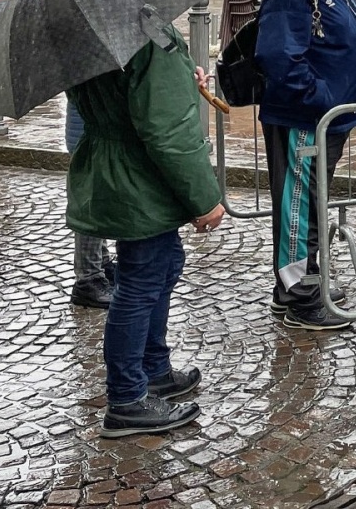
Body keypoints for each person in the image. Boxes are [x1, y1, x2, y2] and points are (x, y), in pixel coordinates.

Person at [67, 23, 225, 438]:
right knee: (140, 282)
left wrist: (180, 77)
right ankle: (127, 399)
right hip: (139, 174)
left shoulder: (86, 30)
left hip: (116, 166)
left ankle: (153, 369)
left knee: (162, 264)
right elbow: (166, 129)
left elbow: (126, 98)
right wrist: (204, 198)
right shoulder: (144, 32)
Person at [255, 0, 356, 330]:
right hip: (304, 119)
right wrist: (321, 98)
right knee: (299, 207)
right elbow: (278, 56)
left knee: (312, 204)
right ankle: (301, 297)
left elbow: (349, 28)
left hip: (328, 119)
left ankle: (297, 285)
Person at [65, 102, 116, 309]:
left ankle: (101, 264)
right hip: (90, 137)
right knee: (91, 206)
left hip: (90, 135)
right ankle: (88, 278)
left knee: (97, 201)